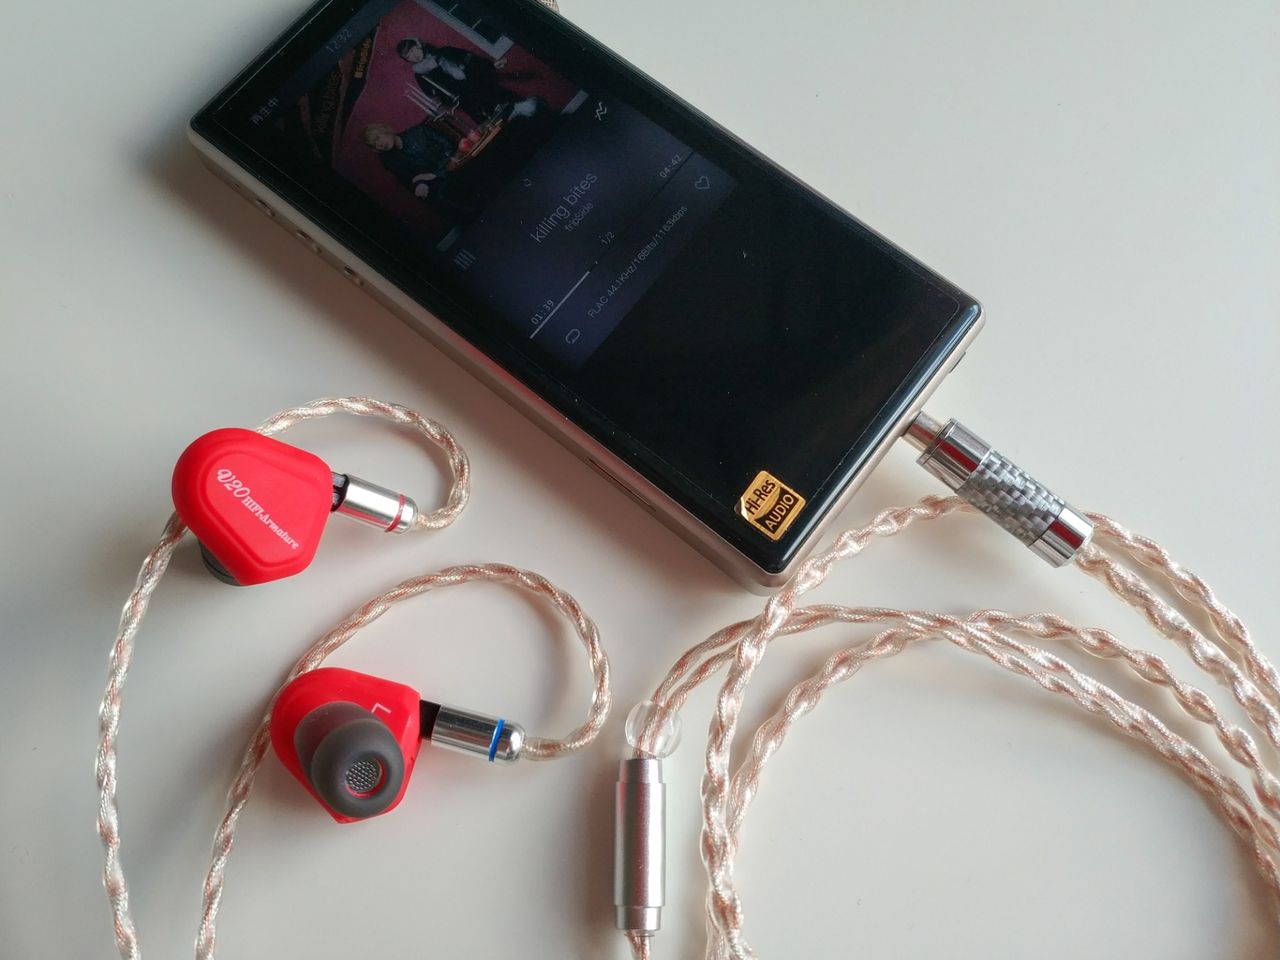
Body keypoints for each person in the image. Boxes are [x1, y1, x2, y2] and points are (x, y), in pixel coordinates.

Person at [395, 37, 542, 123]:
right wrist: (436, 73)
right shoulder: (421, 75)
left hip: (482, 85)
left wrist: (492, 65)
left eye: (413, 50)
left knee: (500, 95)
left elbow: (470, 59)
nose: (413, 56)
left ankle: (524, 110)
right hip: (467, 100)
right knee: (495, 120)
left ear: (419, 46)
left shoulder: (444, 51)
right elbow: (434, 94)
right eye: (408, 56)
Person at [362, 121, 458, 201]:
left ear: (385, 130)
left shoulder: (420, 131)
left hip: (456, 168)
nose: (380, 144)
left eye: (378, 138)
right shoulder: (388, 161)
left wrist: (437, 173)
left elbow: (449, 147)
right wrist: (419, 185)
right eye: (375, 145)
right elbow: (408, 180)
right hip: (438, 187)